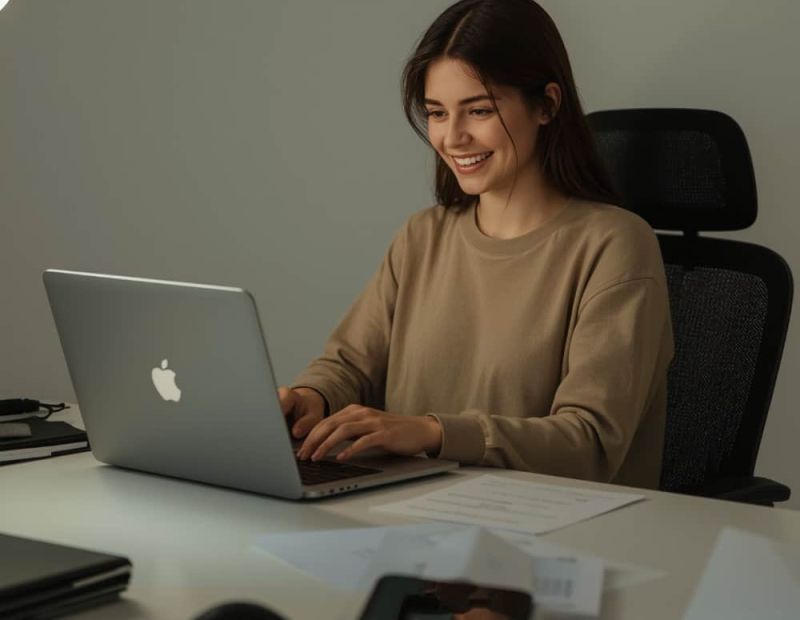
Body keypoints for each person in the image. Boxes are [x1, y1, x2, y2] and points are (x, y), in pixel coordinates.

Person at [278, 0, 674, 489]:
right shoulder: (422, 236)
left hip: (556, 520)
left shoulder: (615, 245)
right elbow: (349, 366)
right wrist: (311, 397)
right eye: (437, 113)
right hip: (411, 507)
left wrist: (433, 433)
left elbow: (589, 441)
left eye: (479, 110)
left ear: (547, 105)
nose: (453, 137)